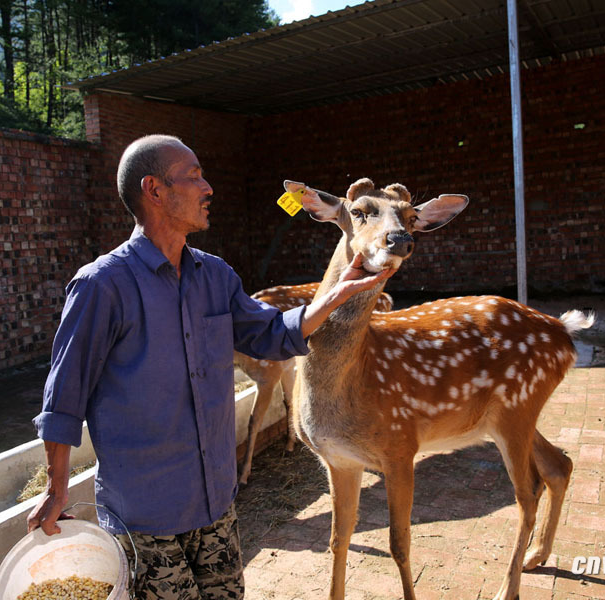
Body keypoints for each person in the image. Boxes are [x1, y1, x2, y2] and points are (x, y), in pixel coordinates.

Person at [27, 134, 395, 600]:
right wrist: (57, 488)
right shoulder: (102, 286)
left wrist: (336, 295)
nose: (208, 187)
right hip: (145, 516)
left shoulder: (216, 276)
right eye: (194, 175)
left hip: (215, 502)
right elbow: (64, 398)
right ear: (155, 190)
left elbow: (272, 334)